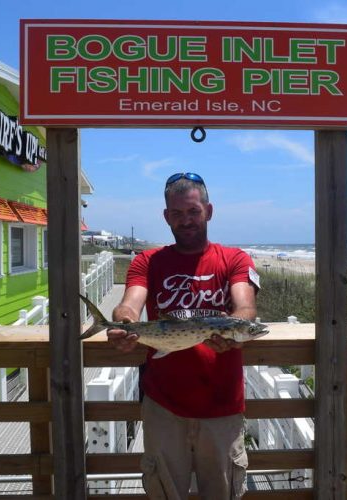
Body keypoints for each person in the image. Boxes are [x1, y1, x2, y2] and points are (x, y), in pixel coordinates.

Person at [107, 172, 260, 500]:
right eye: (177, 213)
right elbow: (129, 304)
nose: (186, 220)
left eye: (193, 211)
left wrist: (233, 329)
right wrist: (124, 323)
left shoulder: (235, 259)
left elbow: (246, 309)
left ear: (209, 210)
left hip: (222, 407)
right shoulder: (146, 261)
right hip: (163, 407)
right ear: (166, 217)